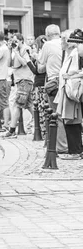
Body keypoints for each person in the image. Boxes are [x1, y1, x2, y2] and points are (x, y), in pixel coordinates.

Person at [37, 24, 68, 153]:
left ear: (48, 35)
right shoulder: (65, 43)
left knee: (56, 114)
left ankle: (60, 146)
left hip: (54, 82)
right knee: (69, 114)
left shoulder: (47, 45)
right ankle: (70, 144)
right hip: (68, 81)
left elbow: (40, 63)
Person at [54, 28, 83, 159]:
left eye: (62, 39)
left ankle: (75, 151)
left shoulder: (77, 54)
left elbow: (78, 71)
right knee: (71, 120)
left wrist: (72, 75)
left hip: (74, 91)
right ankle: (75, 150)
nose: (60, 42)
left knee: (73, 120)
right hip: (69, 91)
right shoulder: (70, 54)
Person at [3, 33, 34, 138]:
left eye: (16, 41)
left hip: (25, 80)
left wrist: (16, 52)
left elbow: (25, 63)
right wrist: (10, 50)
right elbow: (8, 64)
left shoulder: (26, 48)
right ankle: (42, 125)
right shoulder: (13, 51)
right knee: (30, 105)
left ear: (21, 40)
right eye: (13, 41)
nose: (14, 43)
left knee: (17, 105)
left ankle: (11, 130)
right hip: (19, 80)